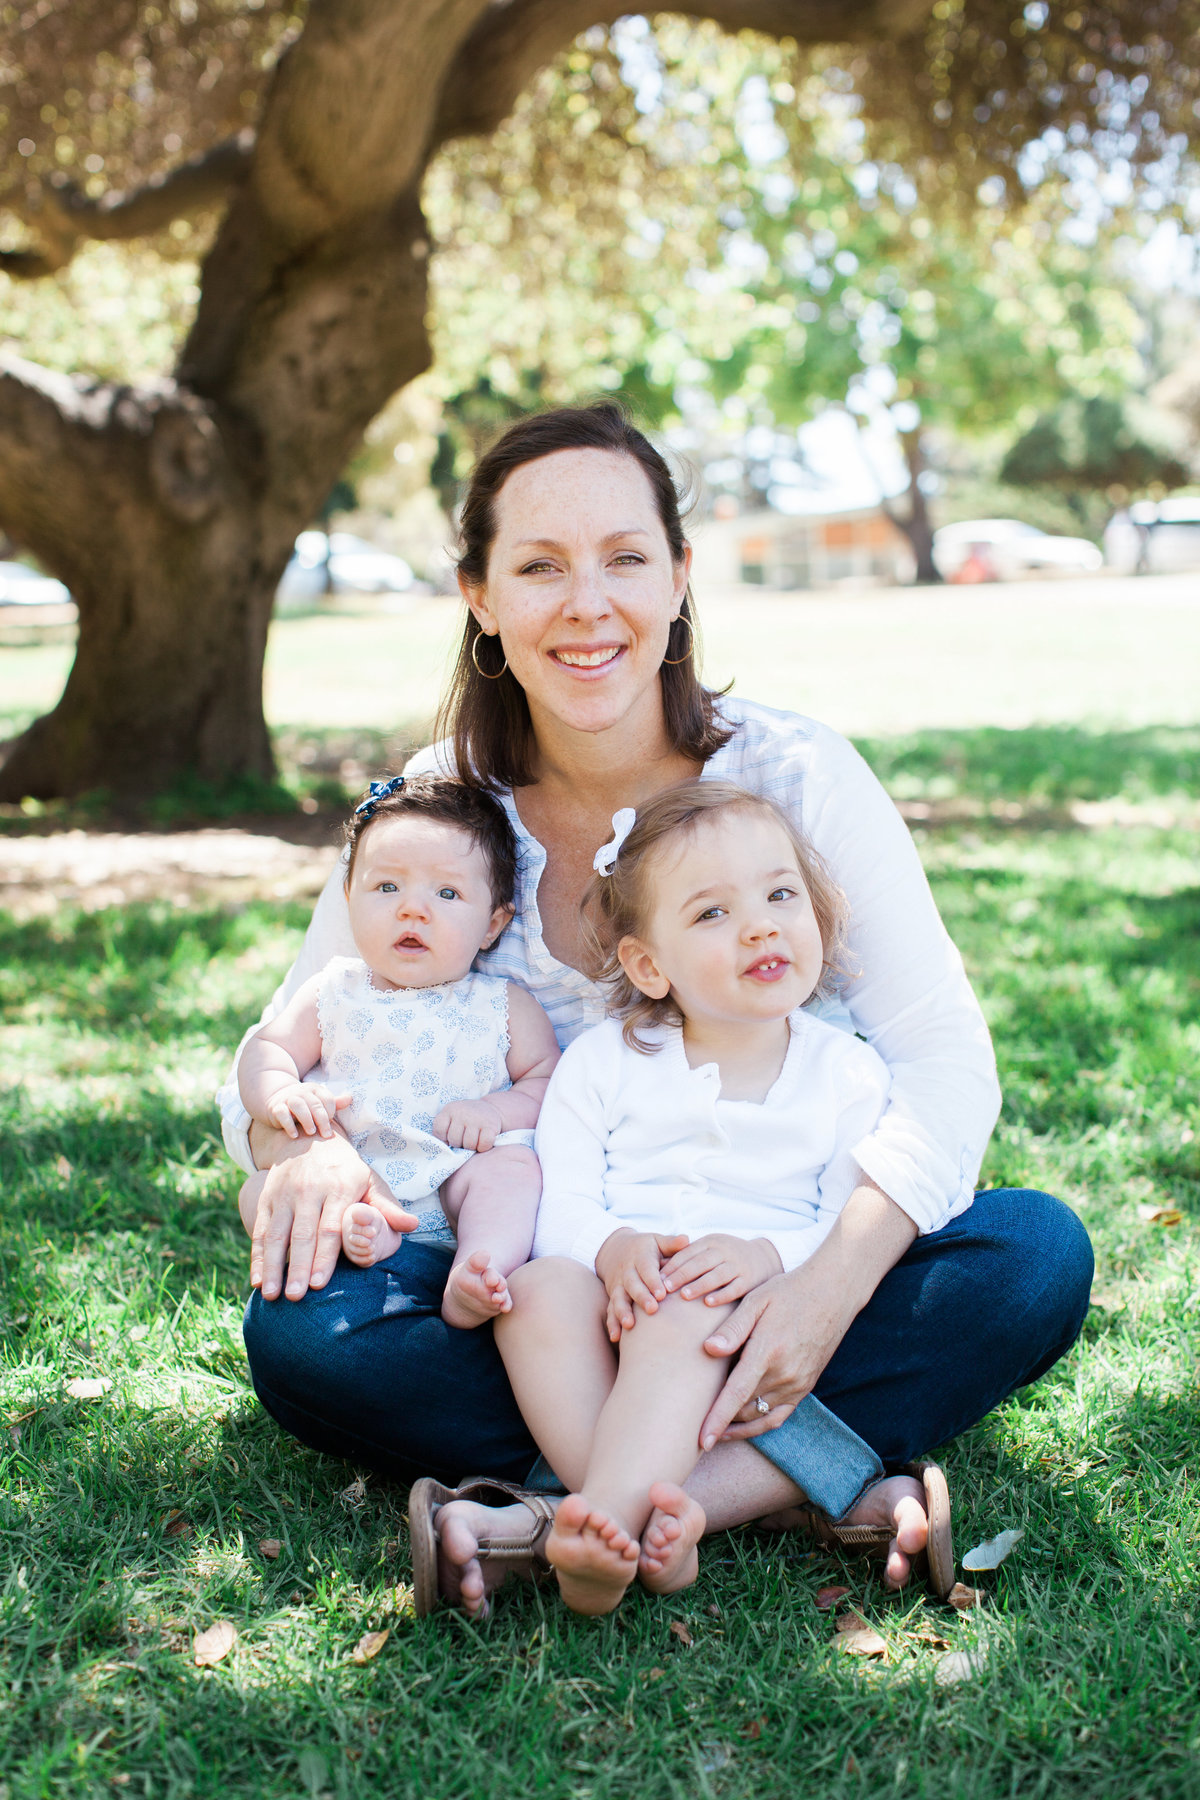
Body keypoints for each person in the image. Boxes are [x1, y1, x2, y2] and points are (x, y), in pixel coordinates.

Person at [219, 401, 1093, 1621]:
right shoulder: (434, 810)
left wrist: (820, 1290)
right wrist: (292, 1150)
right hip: (541, 1299)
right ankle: (802, 1481)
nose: (589, 605)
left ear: (681, 578)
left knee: (1032, 1259)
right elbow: (283, 1044)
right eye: (539, 567)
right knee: (304, 1339)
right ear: (479, 596)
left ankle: (555, 1514)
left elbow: (945, 1065)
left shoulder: (794, 777)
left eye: (627, 559)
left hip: (772, 1266)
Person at [486, 780, 953, 1615]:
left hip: (748, 1323)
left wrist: (766, 1258)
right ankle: (658, 1516)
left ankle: (593, 1527)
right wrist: (610, 1247)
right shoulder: (602, 1062)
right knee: (531, 1293)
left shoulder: (845, 1073)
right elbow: (561, 1201)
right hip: (608, 1304)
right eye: (712, 914)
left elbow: (844, 1223)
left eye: (781, 895)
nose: (762, 924)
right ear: (647, 965)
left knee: (684, 1305)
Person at [235, 775, 560, 1328]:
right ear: (349, 898)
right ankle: (357, 1234)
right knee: (259, 1189)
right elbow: (266, 1049)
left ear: (494, 923)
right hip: (355, 1174)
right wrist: (281, 1094)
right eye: (387, 888)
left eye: (447, 893)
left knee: (512, 1170)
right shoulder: (333, 991)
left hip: (459, 1180)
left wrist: (495, 1113)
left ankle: (478, 1267)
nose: (413, 910)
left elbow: (548, 1079)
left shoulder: (503, 1005)